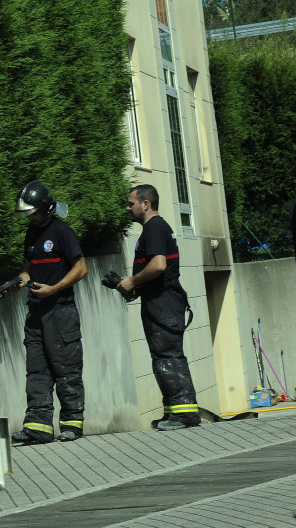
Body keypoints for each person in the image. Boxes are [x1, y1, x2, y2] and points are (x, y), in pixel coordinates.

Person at [116, 184, 200, 431]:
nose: (128, 208)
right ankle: (174, 412)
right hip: (162, 302)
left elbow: (159, 265)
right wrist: (133, 288)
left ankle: (184, 415)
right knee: (164, 358)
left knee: (168, 358)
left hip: (164, 305)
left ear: (145, 204)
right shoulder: (155, 229)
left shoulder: (154, 228)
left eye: (131, 203)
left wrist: (132, 281)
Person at [11, 181, 88, 444]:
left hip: (60, 311)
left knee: (66, 369)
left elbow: (81, 268)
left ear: (45, 209)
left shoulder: (62, 231)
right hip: (36, 313)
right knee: (37, 370)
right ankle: (38, 427)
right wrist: (21, 280)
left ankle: (72, 424)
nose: (30, 218)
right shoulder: (31, 234)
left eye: (33, 212)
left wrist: (54, 289)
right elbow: (27, 267)